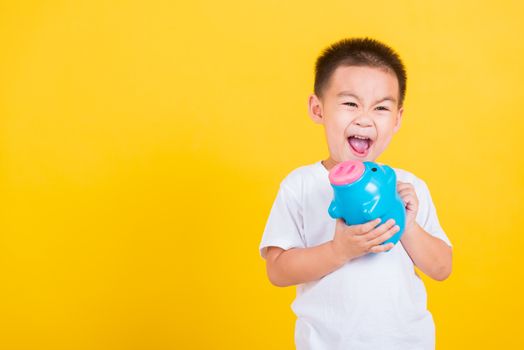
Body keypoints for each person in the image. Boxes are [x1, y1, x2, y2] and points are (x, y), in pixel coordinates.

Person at [258, 37, 453, 350]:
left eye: (381, 108)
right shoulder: (301, 185)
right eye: (350, 103)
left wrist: (407, 224)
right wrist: (339, 250)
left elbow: (442, 268)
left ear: (398, 119)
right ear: (318, 108)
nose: (364, 118)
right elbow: (277, 271)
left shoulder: (407, 188)